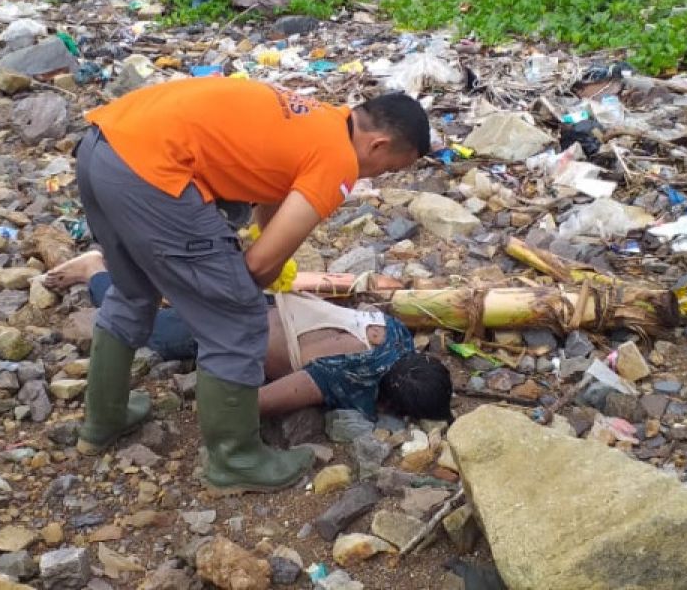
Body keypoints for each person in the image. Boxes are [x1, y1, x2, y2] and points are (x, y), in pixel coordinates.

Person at [72, 77, 430, 494]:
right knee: (238, 319)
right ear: (379, 146)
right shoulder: (340, 161)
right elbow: (257, 266)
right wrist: (236, 289)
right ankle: (235, 458)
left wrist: (268, 247)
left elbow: (273, 193)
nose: (377, 177)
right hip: (152, 175)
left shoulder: (320, 119)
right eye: (387, 170)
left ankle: (103, 420)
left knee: (134, 289)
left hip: (104, 148)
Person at [44, 250, 455, 422]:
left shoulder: (397, 333)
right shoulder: (350, 374)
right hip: (231, 332)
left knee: (178, 293)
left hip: (261, 300)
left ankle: (137, 270)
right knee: (146, 328)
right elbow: (253, 404)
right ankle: (94, 269)